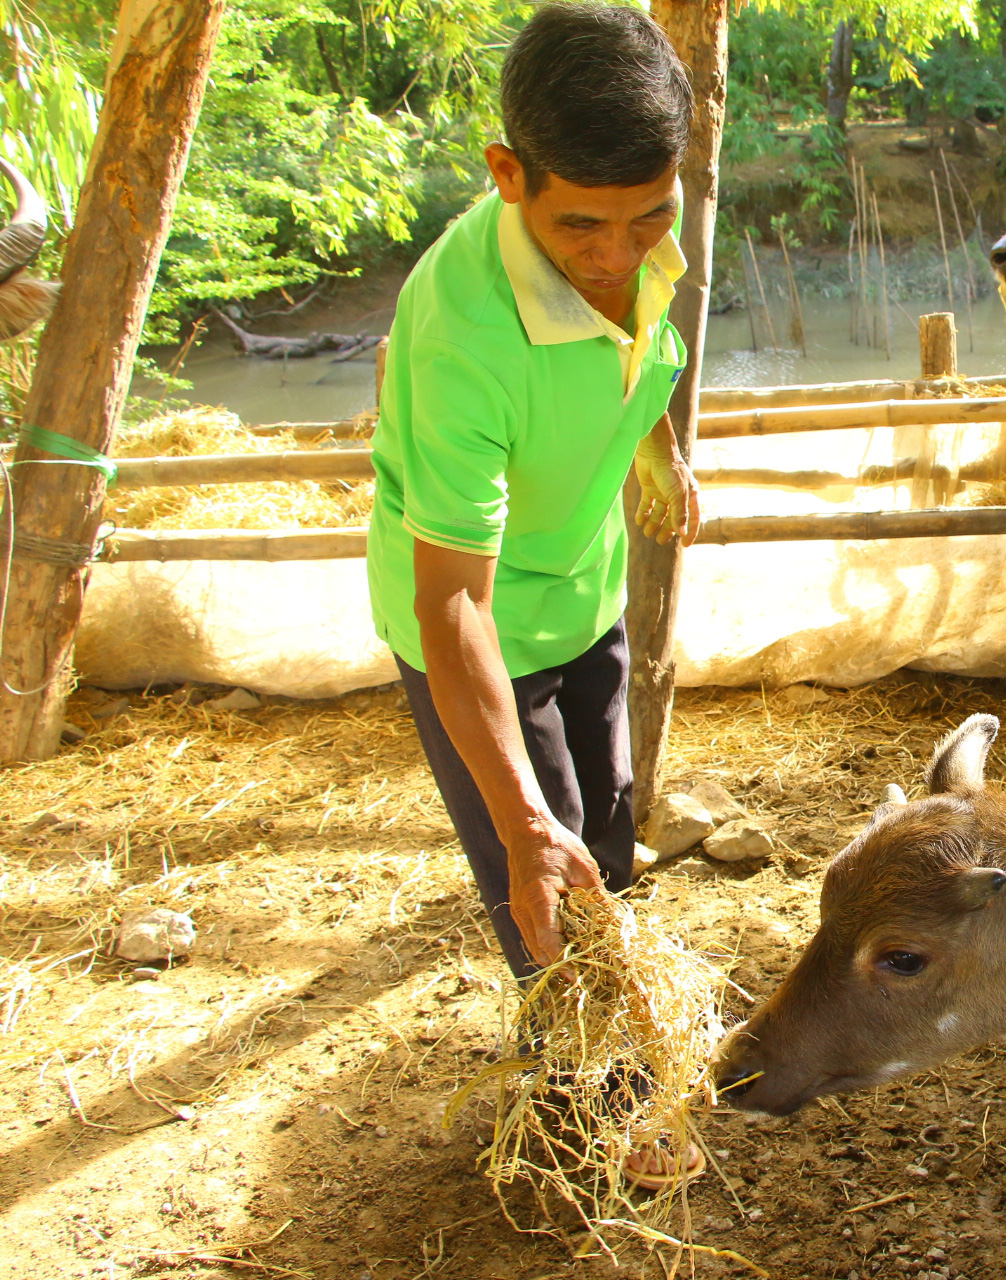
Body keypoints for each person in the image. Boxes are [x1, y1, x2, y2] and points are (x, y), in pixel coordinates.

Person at [365, 1, 701, 1188]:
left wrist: (654, 439)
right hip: (478, 635)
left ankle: (584, 1055)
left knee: (604, 824)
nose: (618, 255)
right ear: (507, 174)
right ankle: (591, 1113)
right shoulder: (461, 331)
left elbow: (642, 327)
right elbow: (454, 602)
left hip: (584, 590)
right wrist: (515, 820)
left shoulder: (647, 224)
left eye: (647, 218)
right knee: (549, 875)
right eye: (582, 229)